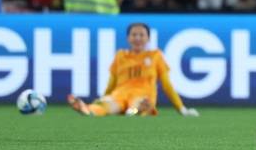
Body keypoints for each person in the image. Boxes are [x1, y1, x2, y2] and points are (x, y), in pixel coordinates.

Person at [67, 23, 199, 117]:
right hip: (120, 95)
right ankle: (87, 110)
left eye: (141, 35)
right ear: (128, 38)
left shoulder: (155, 56)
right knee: (106, 106)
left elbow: (167, 85)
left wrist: (181, 108)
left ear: (148, 38)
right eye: (134, 34)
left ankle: (136, 111)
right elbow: (112, 83)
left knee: (139, 104)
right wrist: (103, 98)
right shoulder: (121, 55)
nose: (137, 38)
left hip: (143, 95)